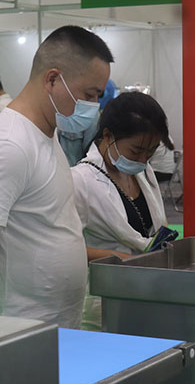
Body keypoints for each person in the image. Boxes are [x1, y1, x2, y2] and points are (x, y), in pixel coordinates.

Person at [0, 25, 113, 329]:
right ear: (52, 79)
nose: (94, 107)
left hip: (54, 325)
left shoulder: (47, 135)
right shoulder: (11, 144)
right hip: (20, 331)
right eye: (89, 95)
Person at [71, 91, 169, 330]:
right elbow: (64, 246)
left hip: (147, 290)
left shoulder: (142, 172)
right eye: (136, 151)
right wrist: (125, 260)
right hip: (103, 300)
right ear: (108, 136)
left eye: (151, 152)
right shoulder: (79, 180)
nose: (144, 159)